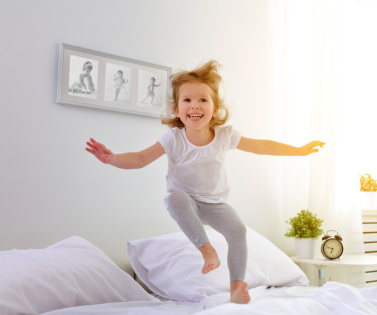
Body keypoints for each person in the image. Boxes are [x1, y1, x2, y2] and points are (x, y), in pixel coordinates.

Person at [85, 60, 324, 304]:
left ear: (215, 108)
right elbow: (140, 158)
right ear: (177, 110)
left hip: (216, 204)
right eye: (186, 100)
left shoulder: (225, 135)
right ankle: (207, 251)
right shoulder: (173, 138)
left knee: (239, 232)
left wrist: (298, 150)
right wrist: (112, 158)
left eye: (202, 100)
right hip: (186, 203)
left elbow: (260, 146)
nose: (194, 105)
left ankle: (235, 287)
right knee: (175, 197)